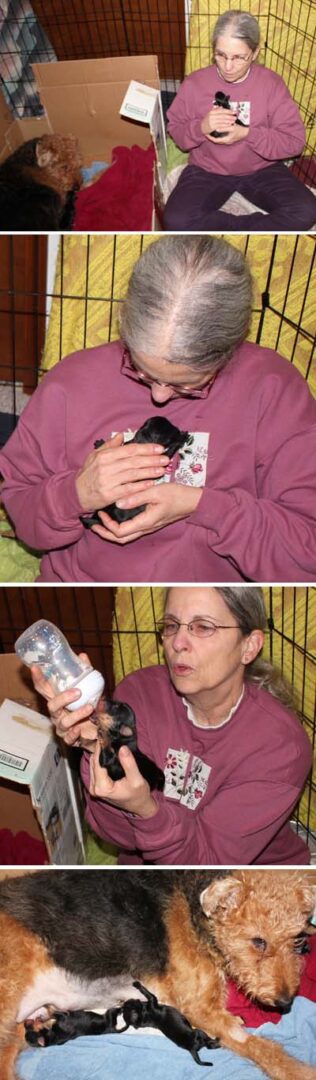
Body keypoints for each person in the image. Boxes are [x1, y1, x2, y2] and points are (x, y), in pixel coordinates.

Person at [0, 235, 315, 584]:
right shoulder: (70, 382)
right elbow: (24, 515)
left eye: (188, 383)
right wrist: (75, 493)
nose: (160, 397)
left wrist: (203, 506)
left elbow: (304, 554)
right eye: (141, 370)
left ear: (230, 350)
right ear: (126, 324)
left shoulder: (273, 388)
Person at [31, 586, 313, 867]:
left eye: (203, 627)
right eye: (171, 625)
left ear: (248, 646)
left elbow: (208, 863)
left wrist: (146, 811)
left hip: (244, 881)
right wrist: (100, 750)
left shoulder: (281, 745)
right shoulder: (140, 692)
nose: (178, 643)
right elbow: (118, 836)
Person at [164, 9, 316, 231]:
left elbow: (294, 142)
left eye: (238, 57)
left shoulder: (270, 84)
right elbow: (176, 130)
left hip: (261, 168)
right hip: (207, 169)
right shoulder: (195, 83)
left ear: (255, 53)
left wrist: (247, 133)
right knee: (175, 220)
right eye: (220, 54)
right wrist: (201, 127)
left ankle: (233, 228)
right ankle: (246, 228)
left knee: (307, 211)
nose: (227, 66)